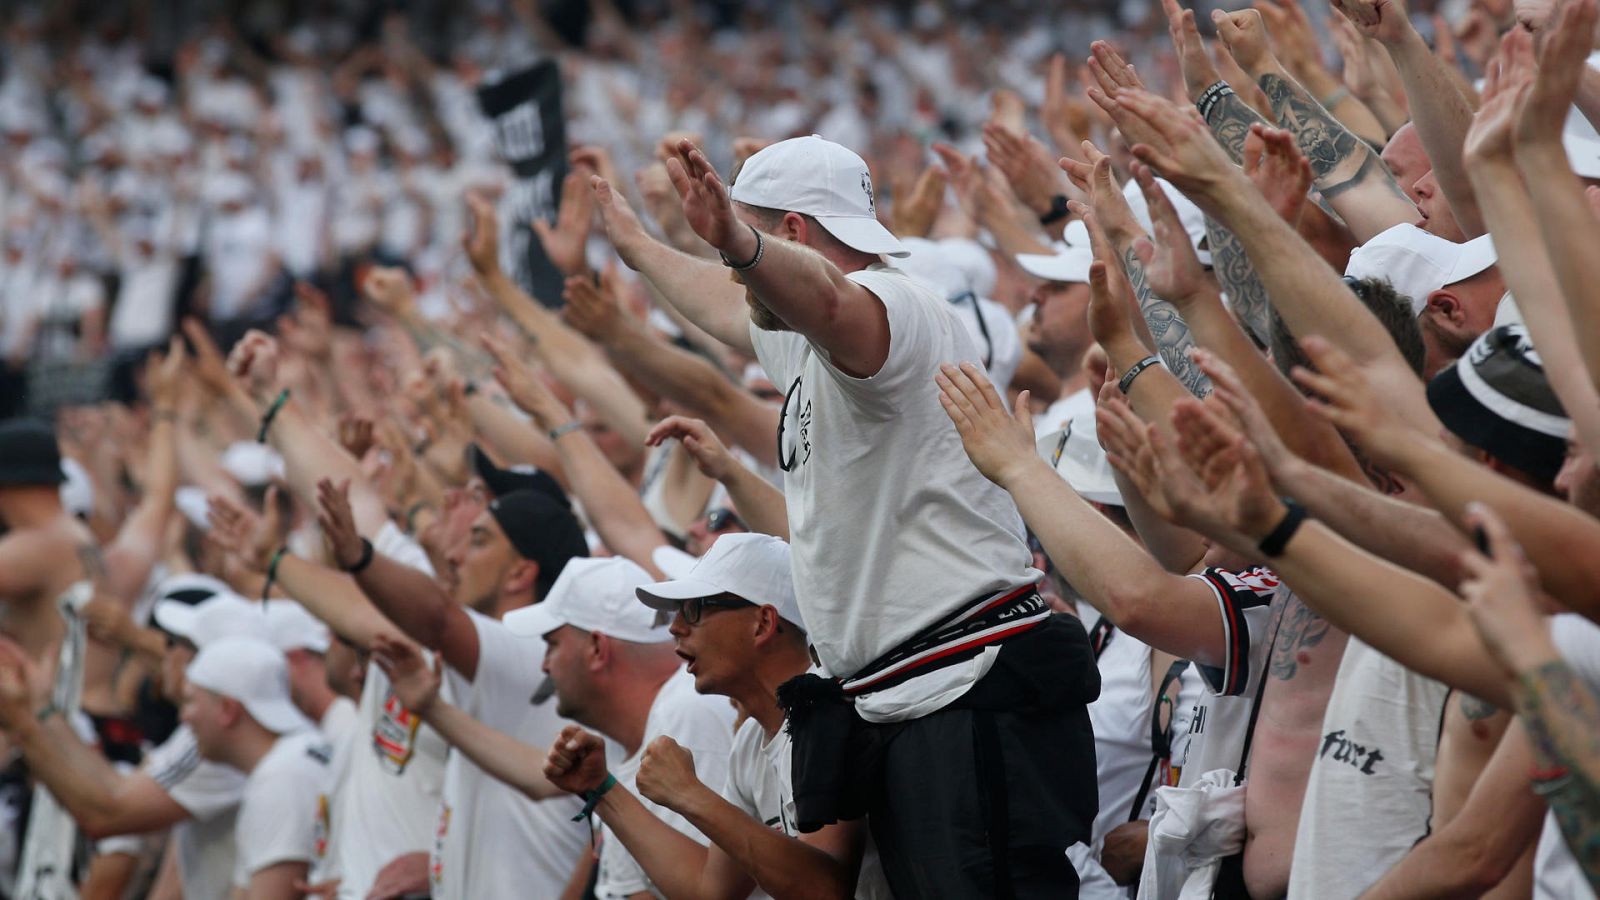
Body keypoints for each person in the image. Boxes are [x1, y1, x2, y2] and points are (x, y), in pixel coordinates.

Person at [594, 132, 1100, 897]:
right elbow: (728, 307)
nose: (737, 274)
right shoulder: (801, 340)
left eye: (753, 248)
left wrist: (739, 241)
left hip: (968, 690)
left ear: (793, 234)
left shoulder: (897, 305)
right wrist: (638, 247)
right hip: (917, 696)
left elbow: (828, 299)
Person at [542, 533, 890, 899]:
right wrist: (601, 788)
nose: (676, 627)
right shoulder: (751, 742)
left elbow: (826, 891)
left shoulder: (828, 708)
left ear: (762, 622)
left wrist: (690, 794)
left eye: (695, 609)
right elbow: (710, 891)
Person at [370, 556, 737, 899]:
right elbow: (538, 775)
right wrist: (432, 709)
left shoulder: (686, 715)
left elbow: (708, 891)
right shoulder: (630, 735)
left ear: (597, 648)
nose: (544, 665)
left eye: (551, 644)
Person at [315, 475, 593, 898]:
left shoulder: (525, 648)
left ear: (521, 572)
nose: (456, 557)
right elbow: (535, 779)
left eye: (478, 542)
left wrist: (358, 557)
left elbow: (437, 618)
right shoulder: (510, 662)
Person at [0, 586, 259, 899]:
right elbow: (114, 788)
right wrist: (40, 709)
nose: (169, 654)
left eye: (175, 643)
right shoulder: (200, 736)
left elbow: (109, 812)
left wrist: (23, 722)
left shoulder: (218, 741)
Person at [181, 636, 334, 898]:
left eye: (190, 701)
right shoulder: (290, 758)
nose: (184, 716)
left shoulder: (282, 777)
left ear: (228, 709)